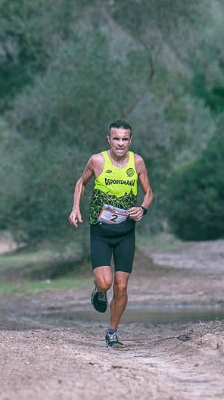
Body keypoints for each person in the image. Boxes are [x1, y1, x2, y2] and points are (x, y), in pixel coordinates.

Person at [68, 120, 153, 348]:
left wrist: (142, 208)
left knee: (122, 286)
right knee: (106, 283)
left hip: (126, 232)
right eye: (116, 138)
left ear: (130, 140)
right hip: (101, 231)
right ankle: (98, 290)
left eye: (125, 139)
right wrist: (76, 207)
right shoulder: (97, 160)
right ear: (109, 140)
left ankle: (112, 332)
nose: (120, 143)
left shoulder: (137, 162)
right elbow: (81, 183)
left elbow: (149, 193)